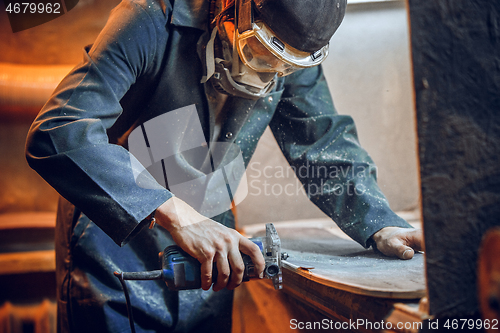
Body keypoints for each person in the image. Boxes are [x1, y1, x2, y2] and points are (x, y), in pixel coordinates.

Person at [25, 0, 423, 332]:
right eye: (258, 54)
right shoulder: (150, 18)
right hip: (114, 250)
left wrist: (379, 223)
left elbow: (321, 140)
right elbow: (58, 130)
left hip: (212, 260)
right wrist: (179, 215)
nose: (267, 76)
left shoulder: (290, 49)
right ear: (232, 9)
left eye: (284, 69)